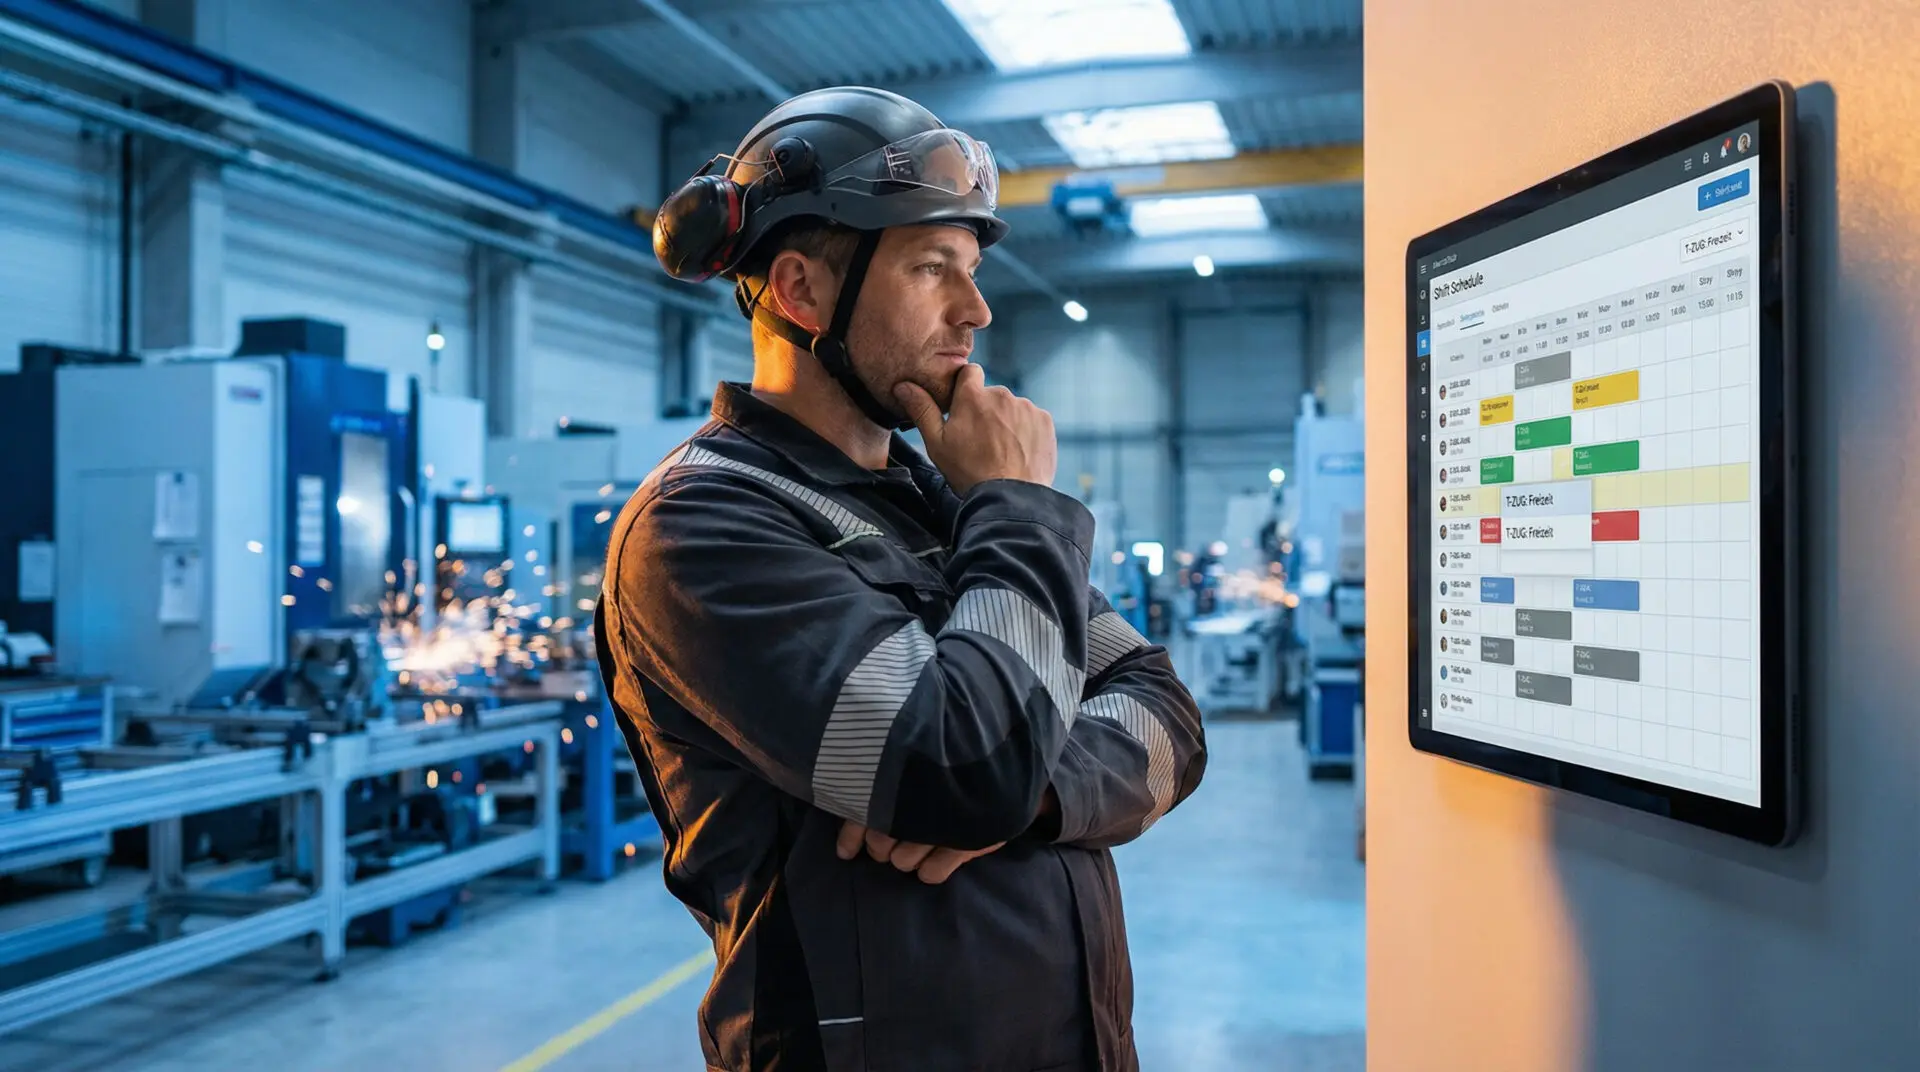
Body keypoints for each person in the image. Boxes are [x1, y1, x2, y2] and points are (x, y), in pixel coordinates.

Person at [594, 86, 1207, 1072]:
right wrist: (1018, 503)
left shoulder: (944, 503)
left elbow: (1170, 718)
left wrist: (1036, 795)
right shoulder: (700, 530)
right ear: (800, 291)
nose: (976, 311)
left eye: (971, 270)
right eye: (932, 268)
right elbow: (966, 767)